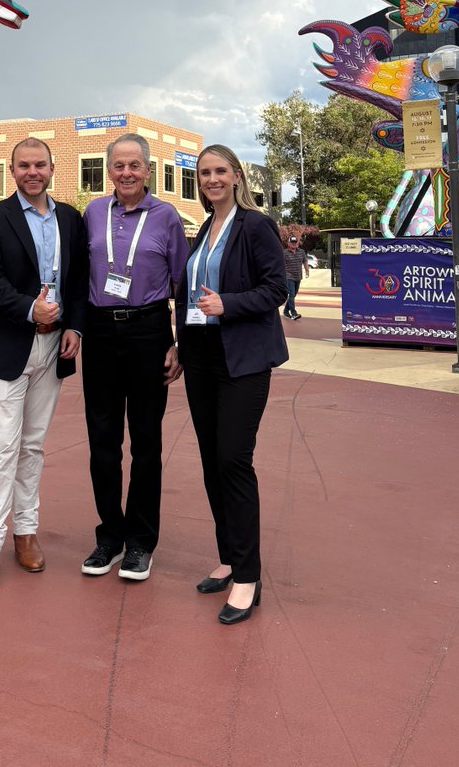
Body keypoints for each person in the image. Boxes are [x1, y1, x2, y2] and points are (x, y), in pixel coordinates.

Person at [0, 137, 88, 595]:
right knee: (1, 448)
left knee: (33, 445)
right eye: (23, 165)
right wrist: (27, 309)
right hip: (8, 345)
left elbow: (78, 280)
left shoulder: (69, 219)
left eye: (39, 164)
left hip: (54, 345)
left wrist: (75, 326)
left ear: (53, 168)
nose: (32, 172)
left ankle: (25, 531)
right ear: (12, 170)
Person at [174, 144, 288, 625]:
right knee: (210, 461)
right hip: (200, 358)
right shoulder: (204, 228)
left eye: (221, 171)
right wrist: (179, 344)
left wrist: (229, 304)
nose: (212, 179)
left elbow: (276, 289)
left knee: (233, 461)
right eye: (205, 173)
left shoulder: (255, 226)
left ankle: (248, 576)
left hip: (241, 359)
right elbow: (188, 295)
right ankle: (229, 557)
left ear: (237, 176)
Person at [80, 133, 188, 582]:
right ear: (109, 171)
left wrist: (179, 342)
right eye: (119, 165)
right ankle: (110, 537)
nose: (127, 173)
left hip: (148, 330)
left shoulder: (167, 217)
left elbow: (183, 284)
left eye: (134, 165)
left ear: (148, 170)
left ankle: (141, 542)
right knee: (103, 441)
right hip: (101, 331)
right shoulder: (91, 213)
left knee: (146, 442)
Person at [282, 234, 309, 319]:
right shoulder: (284, 253)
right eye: (292, 242)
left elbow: (305, 261)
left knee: (293, 295)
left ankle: (286, 311)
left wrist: (307, 270)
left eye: (295, 242)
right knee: (292, 294)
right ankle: (294, 313)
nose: (294, 244)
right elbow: (280, 265)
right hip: (288, 276)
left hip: (298, 276)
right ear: (288, 243)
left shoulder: (301, 252)